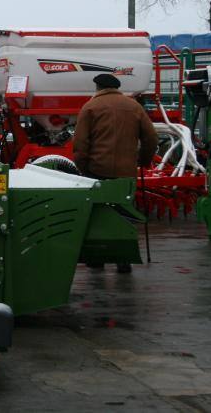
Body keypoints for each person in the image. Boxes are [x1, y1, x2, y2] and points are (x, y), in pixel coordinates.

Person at [73, 73, 158, 273]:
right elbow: (151, 138)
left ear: (98, 87)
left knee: (98, 213)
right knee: (124, 212)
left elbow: (80, 144)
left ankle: (97, 259)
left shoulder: (90, 107)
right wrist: (143, 160)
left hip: (97, 170)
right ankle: (124, 260)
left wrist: (83, 168)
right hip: (126, 172)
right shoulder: (134, 107)